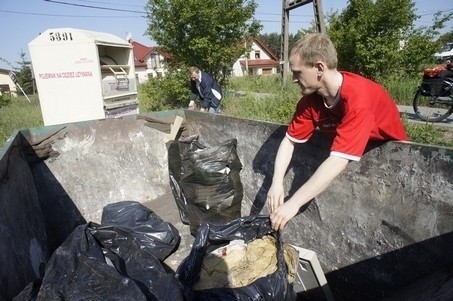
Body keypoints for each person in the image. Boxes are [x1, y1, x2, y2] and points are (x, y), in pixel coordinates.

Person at [266, 33, 408, 231]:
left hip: (395, 165)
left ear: (319, 68)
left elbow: (338, 161)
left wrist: (292, 204)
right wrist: (277, 183)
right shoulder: (310, 101)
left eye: (297, 72)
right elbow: (289, 142)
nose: (294, 79)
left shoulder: (358, 100)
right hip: (350, 153)